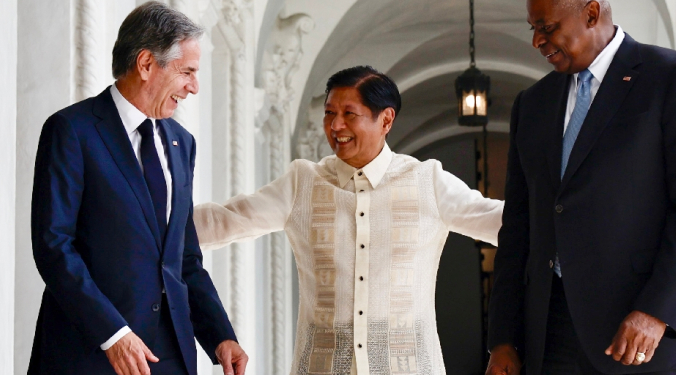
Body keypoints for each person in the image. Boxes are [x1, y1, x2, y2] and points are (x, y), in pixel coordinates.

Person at [194, 65, 504, 374]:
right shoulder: (303, 183)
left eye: (349, 114)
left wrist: (550, 216)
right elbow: (226, 220)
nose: (335, 125)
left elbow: (501, 223)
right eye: (329, 113)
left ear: (386, 119)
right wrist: (152, 227)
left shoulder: (427, 182)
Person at [485, 0, 676, 374]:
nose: (537, 41)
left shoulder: (673, 76)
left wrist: (656, 312)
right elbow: (517, 229)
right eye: (533, 28)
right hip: (550, 337)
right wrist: (502, 339)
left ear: (592, 13)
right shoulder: (532, 104)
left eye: (546, 28)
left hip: (638, 332)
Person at [29, 2, 247, 374]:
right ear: (146, 64)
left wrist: (219, 335)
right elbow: (54, 246)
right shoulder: (72, 130)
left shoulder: (183, 142)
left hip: (170, 357)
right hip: (91, 353)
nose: (194, 87)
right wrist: (112, 334)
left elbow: (185, 257)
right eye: (187, 72)